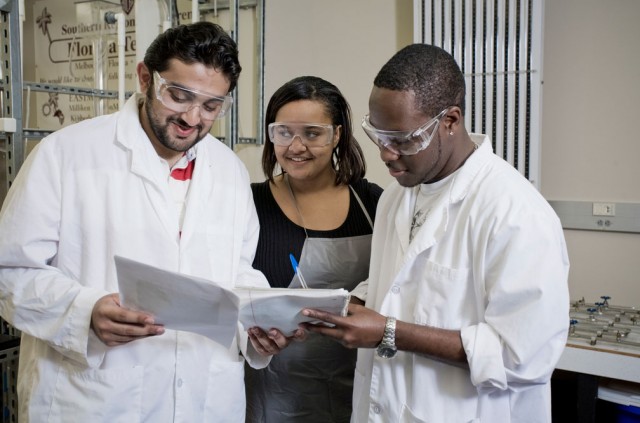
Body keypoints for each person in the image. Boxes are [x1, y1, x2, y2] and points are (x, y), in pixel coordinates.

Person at [0, 22, 295, 422]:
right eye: (179, 95)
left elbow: (237, 270)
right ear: (145, 78)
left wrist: (259, 325)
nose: (192, 118)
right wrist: (84, 311)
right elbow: (10, 269)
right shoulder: (66, 155)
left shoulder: (229, 170)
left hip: (205, 398)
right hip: (95, 399)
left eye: (211, 106)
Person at [301, 44, 570, 422]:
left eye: (403, 139)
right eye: (378, 135)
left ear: (451, 120)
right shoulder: (396, 196)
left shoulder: (515, 212)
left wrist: (388, 332)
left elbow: (522, 357)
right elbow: (395, 287)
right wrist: (348, 309)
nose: (386, 154)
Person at [244, 76, 383, 422]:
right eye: (283, 132)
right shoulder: (249, 204)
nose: (295, 147)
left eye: (311, 133)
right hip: (273, 395)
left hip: (358, 390)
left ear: (337, 135)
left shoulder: (374, 203)